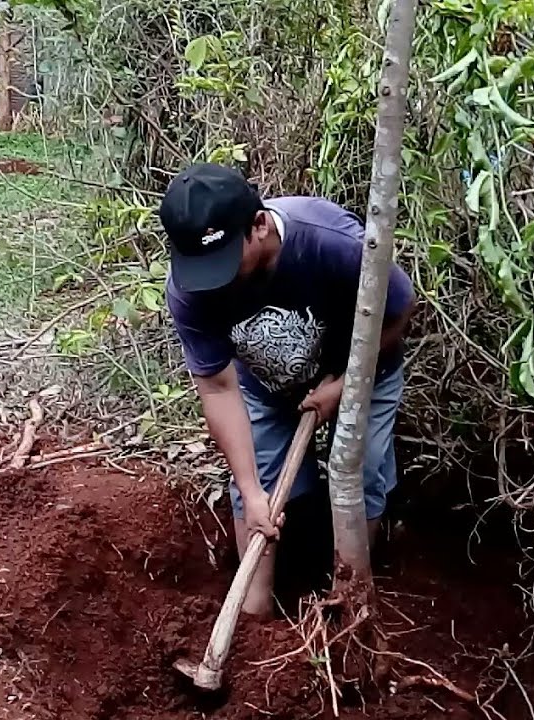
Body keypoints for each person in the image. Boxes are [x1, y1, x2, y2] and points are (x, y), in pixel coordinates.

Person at [160, 163, 416, 617]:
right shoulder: (189, 289)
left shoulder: (331, 243)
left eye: (224, 262)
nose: (215, 280)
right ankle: (254, 614)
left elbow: (399, 309)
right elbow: (218, 388)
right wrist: (250, 489)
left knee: (363, 470)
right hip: (267, 383)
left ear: (259, 225)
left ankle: (351, 594)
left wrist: (345, 384)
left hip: (362, 369)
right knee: (258, 486)